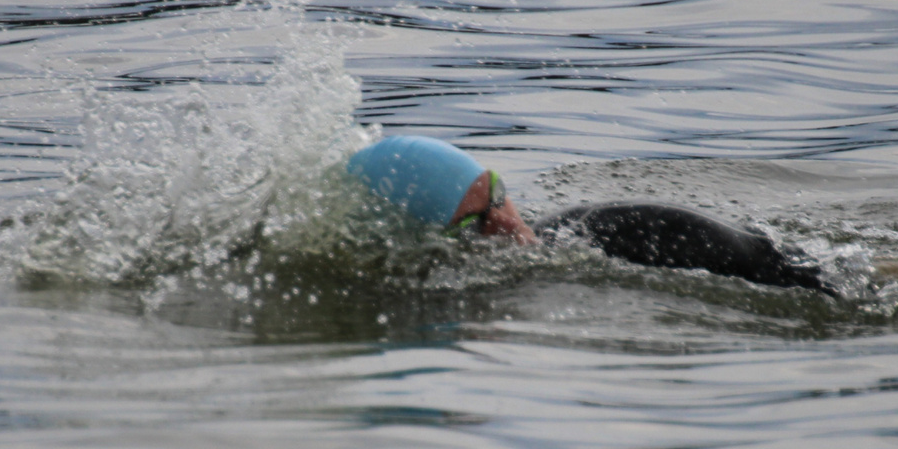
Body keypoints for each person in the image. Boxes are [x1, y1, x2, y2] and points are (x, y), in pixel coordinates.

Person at [347, 135, 833, 294]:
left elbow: (789, 271)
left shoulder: (625, 232)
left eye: (498, 195)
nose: (507, 223)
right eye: (476, 222)